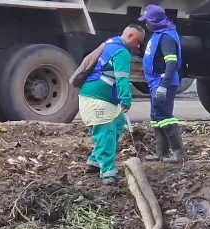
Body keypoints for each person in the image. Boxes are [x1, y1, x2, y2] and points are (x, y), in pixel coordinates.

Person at [78, 24, 145, 184]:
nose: (138, 46)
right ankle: (108, 172)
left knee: (118, 122)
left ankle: (94, 161)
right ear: (129, 37)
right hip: (97, 100)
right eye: (138, 41)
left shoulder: (110, 43)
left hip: (97, 98)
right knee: (106, 133)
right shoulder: (122, 53)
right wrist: (126, 99)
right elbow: (122, 79)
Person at [138, 5, 185, 163]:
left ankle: (178, 153)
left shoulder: (167, 37)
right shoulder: (159, 34)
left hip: (163, 82)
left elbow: (171, 63)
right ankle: (161, 153)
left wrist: (164, 85)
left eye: (148, 21)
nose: (146, 24)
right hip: (155, 82)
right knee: (156, 115)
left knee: (164, 115)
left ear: (156, 21)